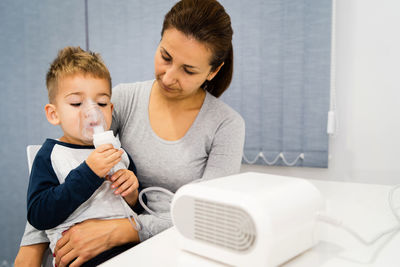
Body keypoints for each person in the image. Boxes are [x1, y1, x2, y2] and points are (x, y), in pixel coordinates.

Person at [14, 0, 245, 266]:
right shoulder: (121, 100)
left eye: (188, 70)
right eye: (165, 57)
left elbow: (209, 214)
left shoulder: (226, 125)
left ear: (213, 71)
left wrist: (125, 229)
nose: (169, 77)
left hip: (177, 248)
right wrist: (30, 249)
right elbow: (64, 166)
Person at [23, 46, 142, 266]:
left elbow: (140, 209)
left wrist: (132, 194)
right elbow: (39, 214)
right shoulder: (50, 156)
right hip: (81, 257)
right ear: (54, 113)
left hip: (132, 248)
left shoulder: (118, 152)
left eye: (102, 103)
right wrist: (89, 173)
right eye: (77, 103)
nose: (92, 113)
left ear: (111, 108)